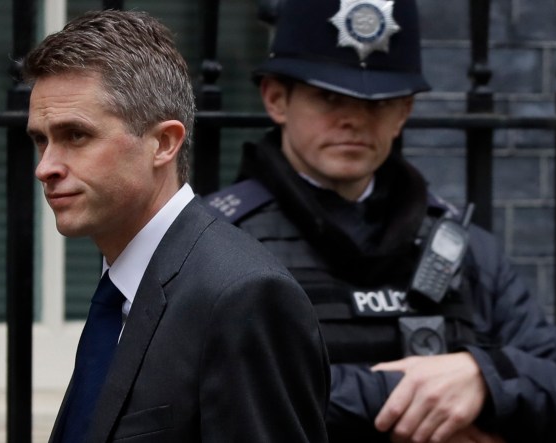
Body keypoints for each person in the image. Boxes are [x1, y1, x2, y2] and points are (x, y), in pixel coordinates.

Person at [203, 0, 556, 442]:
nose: (354, 119)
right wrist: (429, 401)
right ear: (276, 99)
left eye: (379, 102)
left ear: (404, 113)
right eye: (329, 97)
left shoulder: (460, 245)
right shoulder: (215, 242)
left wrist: (481, 377)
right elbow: (208, 398)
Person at [23, 10, 329, 443]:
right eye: (41, 139)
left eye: (76, 136)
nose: (46, 167)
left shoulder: (242, 295)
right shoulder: (126, 285)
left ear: (163, 143)